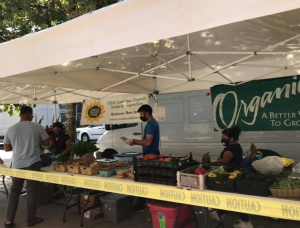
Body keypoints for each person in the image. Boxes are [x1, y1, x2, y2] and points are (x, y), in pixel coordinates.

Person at [3, 106, 50, 228]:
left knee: (14, 191)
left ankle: (8, 220)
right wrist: (36, 141)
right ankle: (31, 219)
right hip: (33, 163)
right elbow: (47, 143)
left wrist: (19, 146)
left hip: (17, 164)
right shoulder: (37, 127)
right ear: (30, 115)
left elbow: (7, 148)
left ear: (20, 115)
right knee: (32, 192)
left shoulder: (11, 129)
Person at [213, 126, 253, 228]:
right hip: (235, 173)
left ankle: (246, 222)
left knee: (235, 199)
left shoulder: (230, 148)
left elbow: (225, 161)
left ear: (231, 138)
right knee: (227, 196)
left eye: (224, 137)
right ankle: (221, 214)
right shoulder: (237, 146)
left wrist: (213, 161)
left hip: (231, 175)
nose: (222, 139)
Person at [125, 104, 160, 212]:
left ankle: (141, 205)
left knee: (142, 179)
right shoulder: (152, 123)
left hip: (150, 155)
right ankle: (146, 203)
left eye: (141, 114)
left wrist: (134, 141)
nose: (140, 116)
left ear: (147, 113)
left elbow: (148, 142)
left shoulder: (151, 124)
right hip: (151, 154)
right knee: (147, 179)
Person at [48, 121, 71, 198]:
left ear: (61, 128)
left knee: (66, 175)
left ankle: (68, 191)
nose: (56, 129)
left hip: (65, 158)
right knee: (59, 175)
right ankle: (61, 191)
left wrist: (62, 154)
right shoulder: (53, 138)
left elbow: (69, 147)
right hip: (57, 158)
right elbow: (51, 147)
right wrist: (47, 150)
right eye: (55, 128)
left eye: (58, 128)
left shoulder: (66, 136)